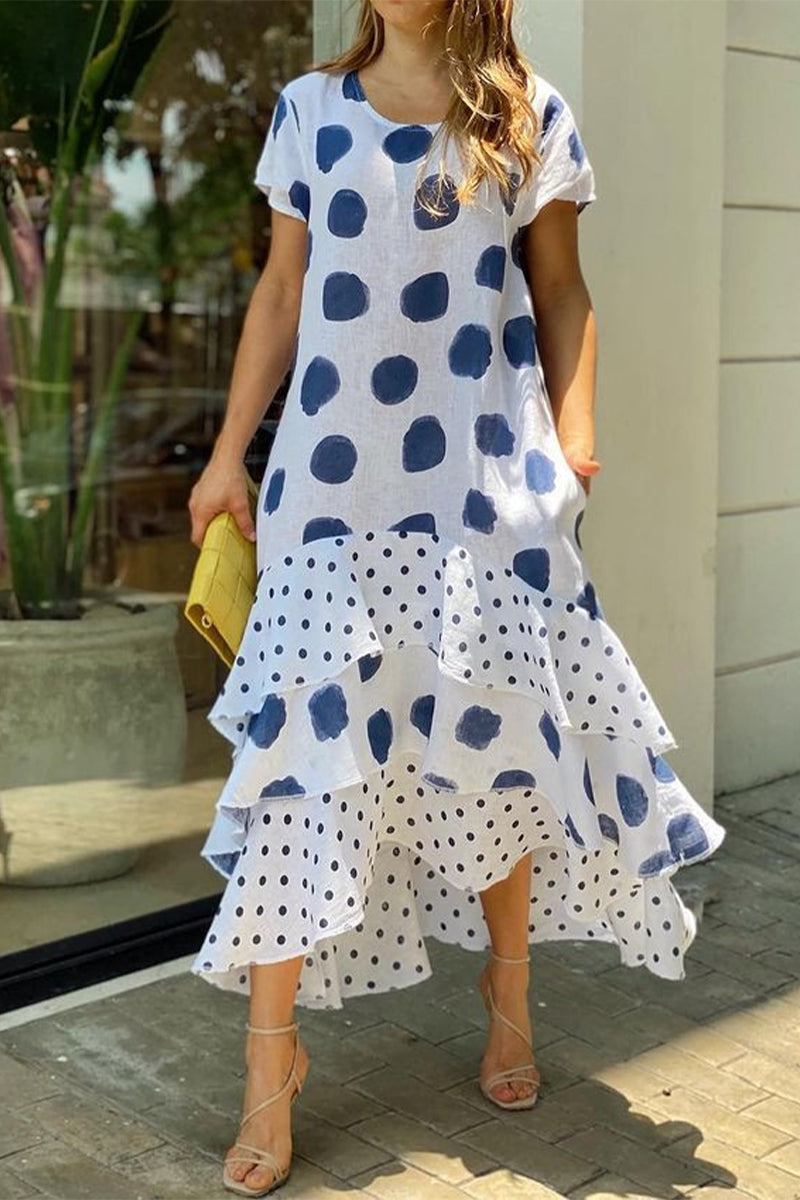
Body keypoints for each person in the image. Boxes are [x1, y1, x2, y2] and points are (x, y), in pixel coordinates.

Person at [187, 0, 727, 1194]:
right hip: (330, 491)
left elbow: (561, 292)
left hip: (483, 490)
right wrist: (227, 456)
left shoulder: (525, 116)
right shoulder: (307, 111)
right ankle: (270, 1060)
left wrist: (573, 449)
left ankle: (508, 989)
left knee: (497, 746)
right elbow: (280, 293)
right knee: (300, 766)